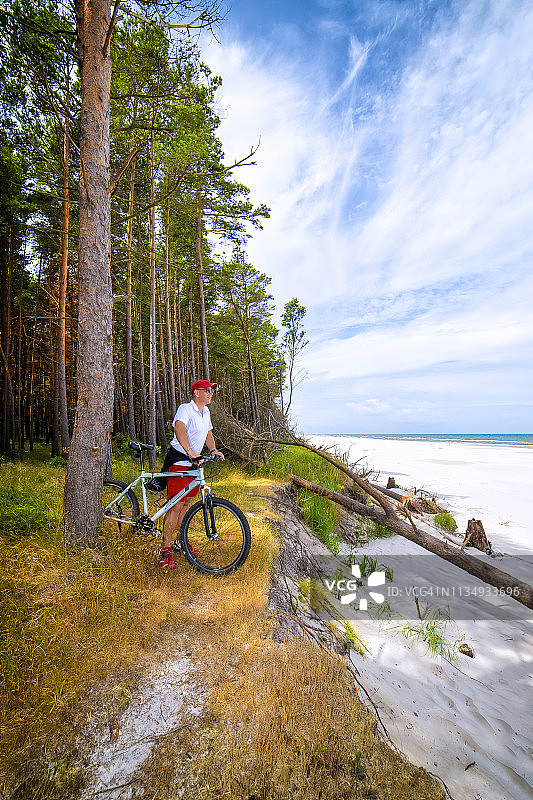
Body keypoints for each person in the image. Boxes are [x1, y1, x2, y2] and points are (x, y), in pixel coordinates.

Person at [159, 379, 224, 569]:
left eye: (212, 391)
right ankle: (165, 549)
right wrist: (190, 451)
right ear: (196, 392)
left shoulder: (206, 412)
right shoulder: (185, 409)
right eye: (208, 390)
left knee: (187, 504)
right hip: (179, 461)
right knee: (176, 505)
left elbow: (208, 433)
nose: (211, 393)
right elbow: (179, 428)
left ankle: (181, 541)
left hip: (194, 463)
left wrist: (213, 450)